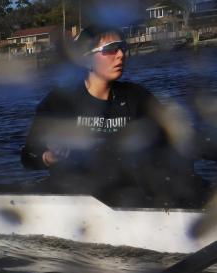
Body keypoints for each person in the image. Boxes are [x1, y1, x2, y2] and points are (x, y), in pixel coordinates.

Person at [21, 26, 205, 206]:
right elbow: (28, 157)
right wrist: (48, 157)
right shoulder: (60, 101)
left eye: (122, 48)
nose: (120, 55)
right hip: (80, 198)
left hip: (129, 193)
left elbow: (176, 142)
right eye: (110, 50)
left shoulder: (137, 97)